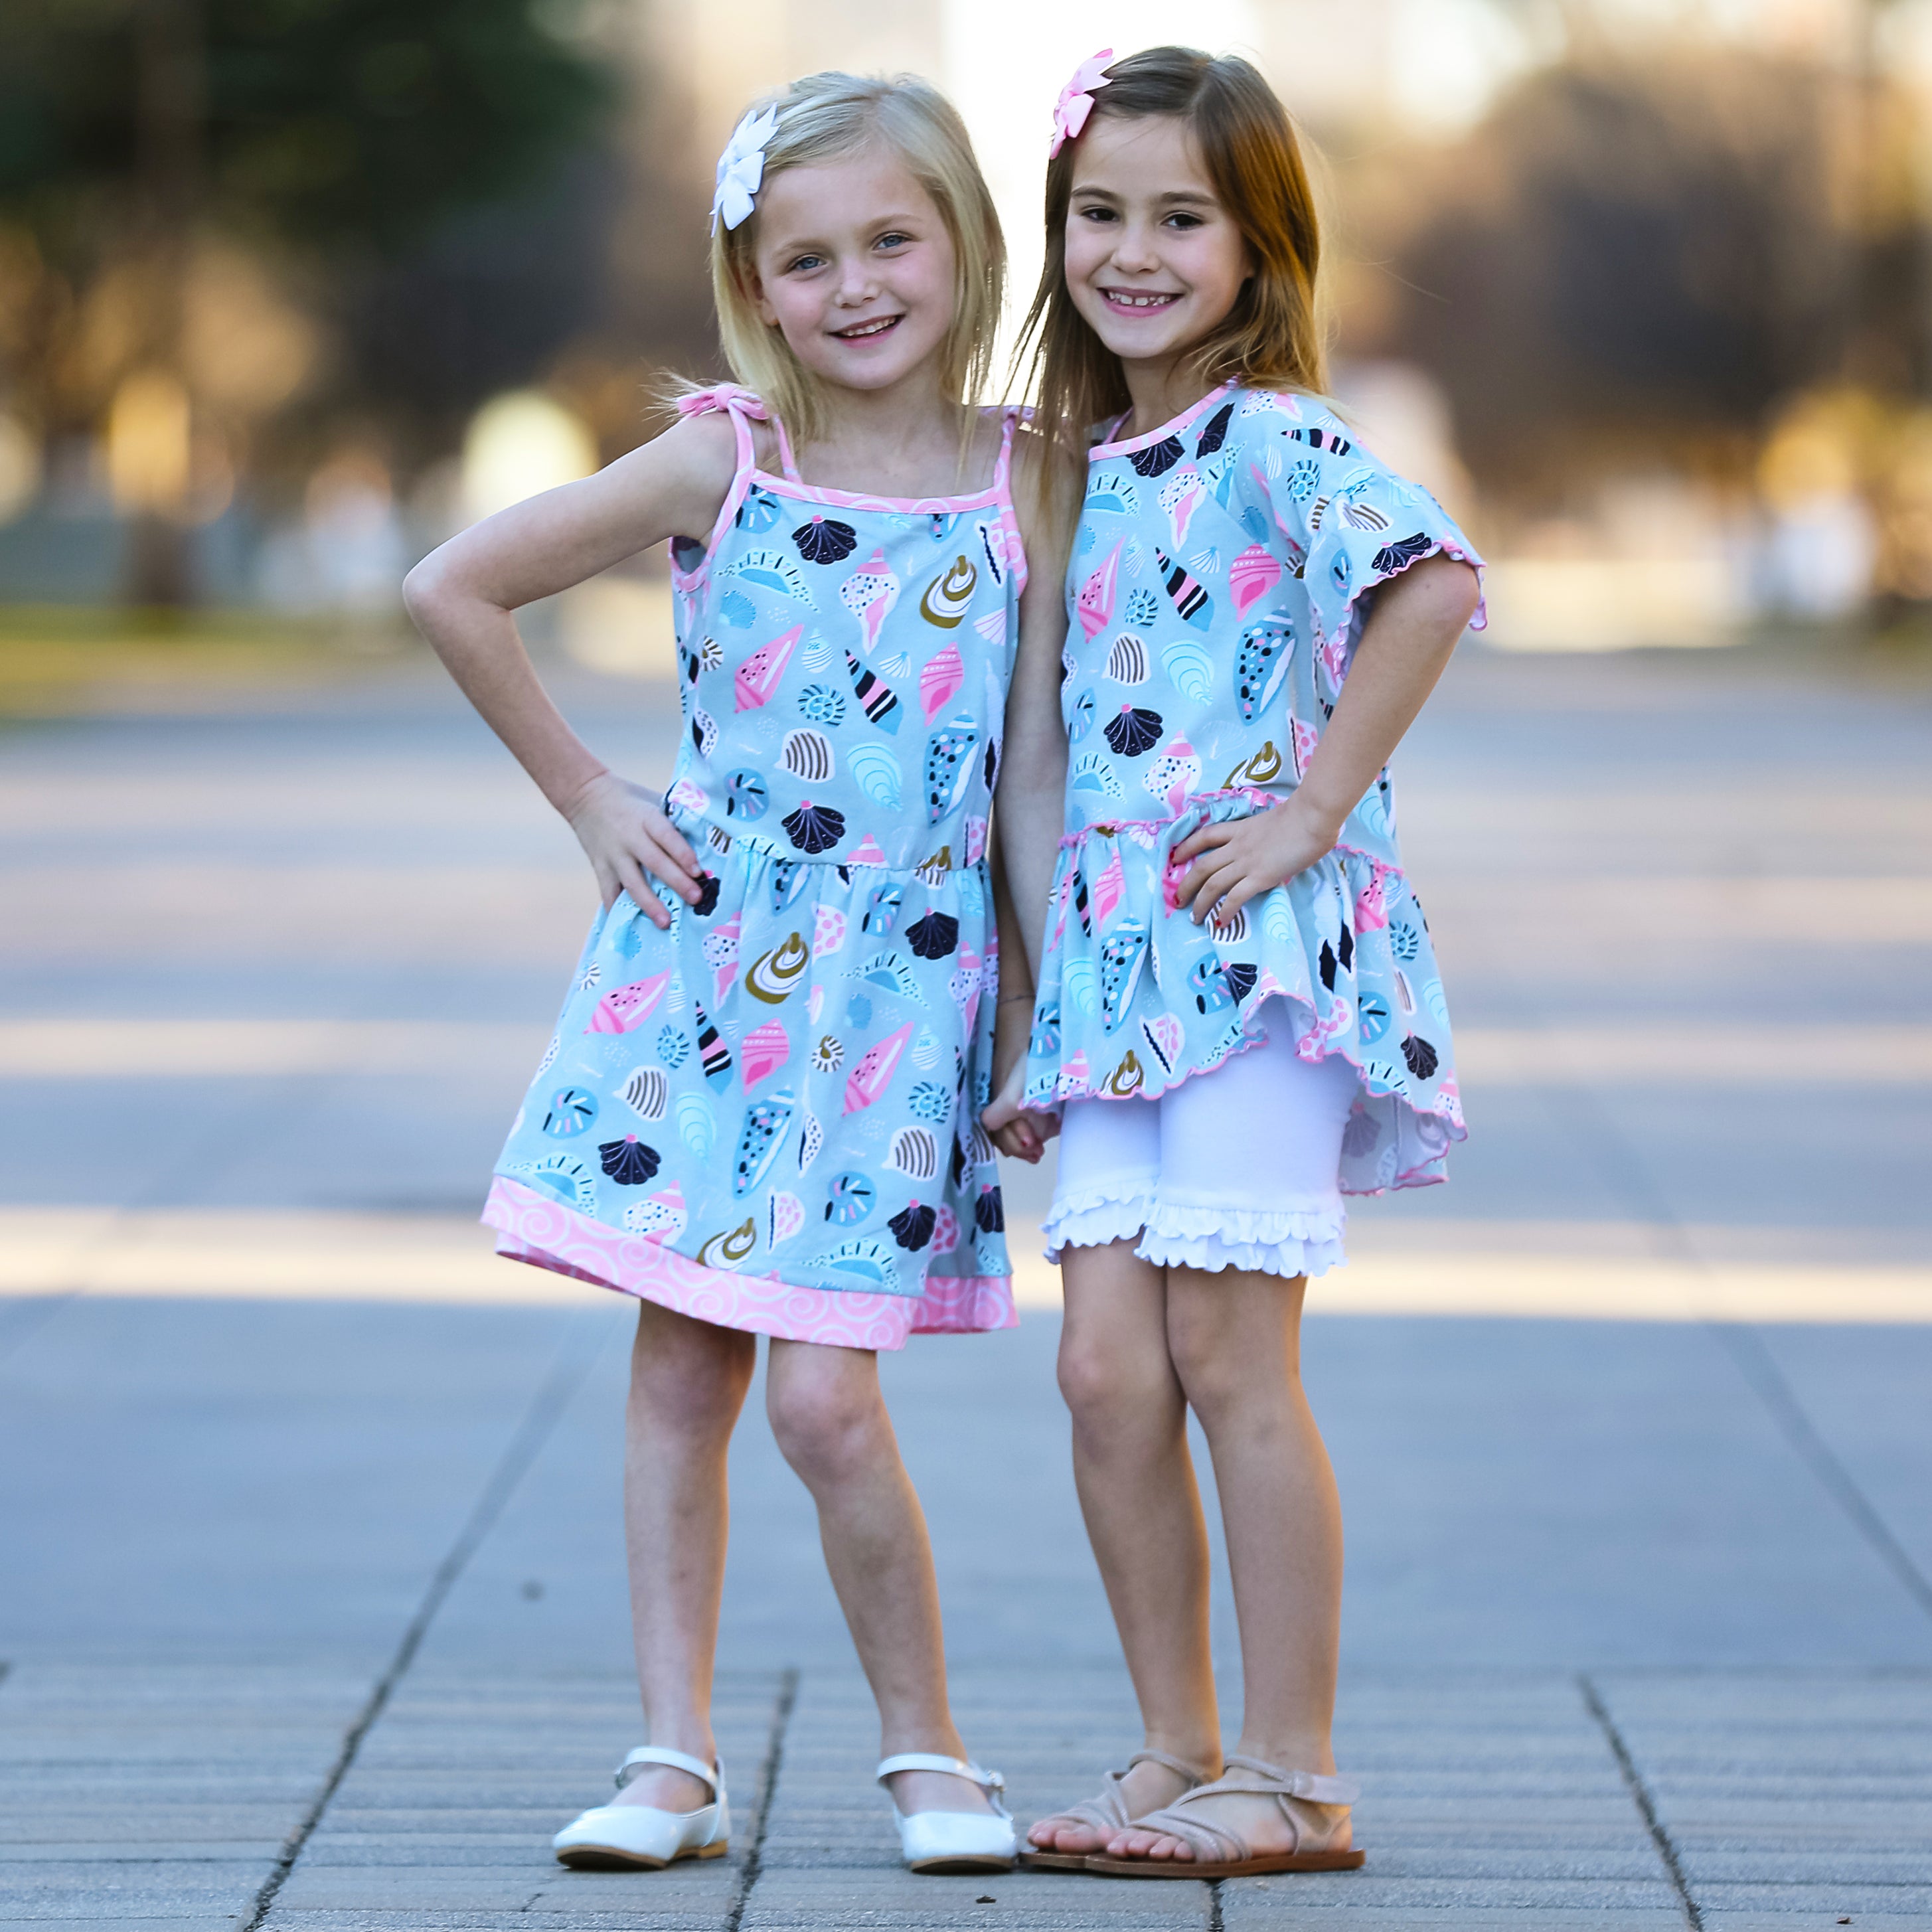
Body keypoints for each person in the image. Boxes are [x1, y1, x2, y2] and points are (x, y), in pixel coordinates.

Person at [406, 70, 1069, 1878]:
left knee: (825, 1396)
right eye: (806, 258)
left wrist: (1036, 1007)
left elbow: (1024, 771)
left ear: (962, 246)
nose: (852, 285)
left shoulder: (1031, 476)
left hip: (905, 1004)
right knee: (684, 1378)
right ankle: (671, 1762)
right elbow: (454, 586)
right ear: (753, 284)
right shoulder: (725, 458)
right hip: (703, 989)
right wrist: (588, 794)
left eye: (889, 242)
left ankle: (931, 1755)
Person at [984, 45, 1485, 1881]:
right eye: (1098, 212)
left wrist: (1314, 809)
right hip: (1116, 978)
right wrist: (1034, 1006)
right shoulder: (1070, 468)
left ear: (1257, 243)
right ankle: (1179, 1747)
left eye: (1178, 216)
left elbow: (1432, 584)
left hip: (1260, 952)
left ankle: (1296, 1772)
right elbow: (1035, 752)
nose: (1132, 248)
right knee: (1105, 1372)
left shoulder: (1279, 439)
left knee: (1227, 1348)